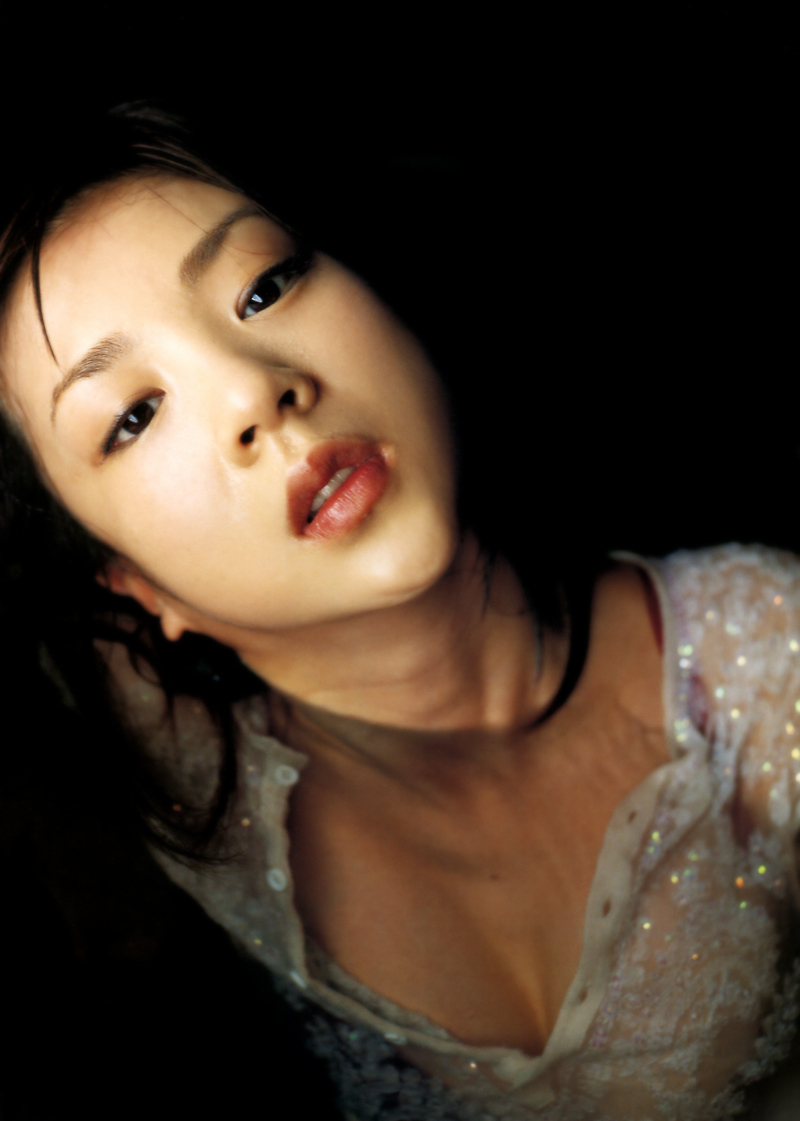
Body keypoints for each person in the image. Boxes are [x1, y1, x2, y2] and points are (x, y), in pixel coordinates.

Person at [1, 101, 799, 1121]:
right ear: (130, 586)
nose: (254, 392)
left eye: (263, 286)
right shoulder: (173, 777)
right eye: (134, 415)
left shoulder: (763, 657)